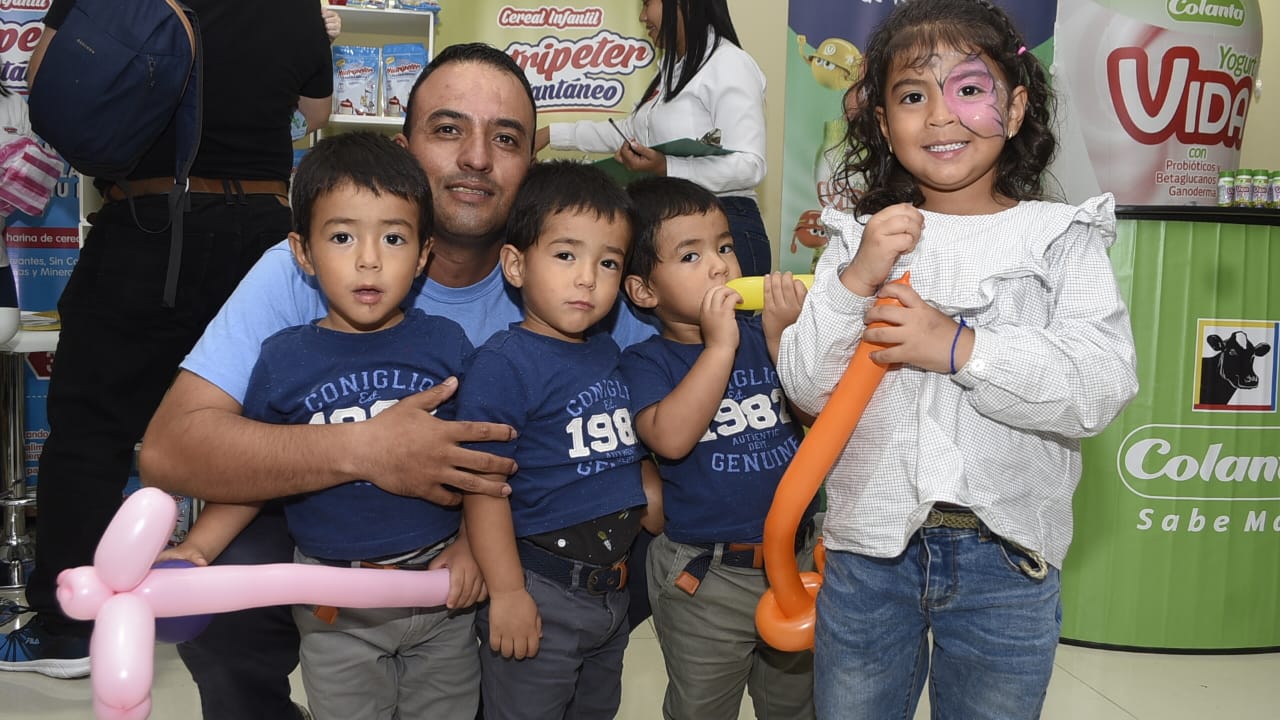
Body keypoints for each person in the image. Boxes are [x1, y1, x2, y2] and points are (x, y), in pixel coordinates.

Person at [136, 43, 656, 718]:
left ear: (530, 165)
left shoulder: (580, 281)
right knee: (230, 589)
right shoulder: (301, 269)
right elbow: (169, 449)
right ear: (405, 146)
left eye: (505, 138)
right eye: (448, 130)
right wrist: (364, 449)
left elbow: (669, 388)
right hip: (330, 538)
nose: (475, 157)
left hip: (514, 549)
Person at [776, 2, 1139, 718]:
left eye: (969, 89)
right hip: (866, 554)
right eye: (913, 95)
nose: (941, 115)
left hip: (1005, 558)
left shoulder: (1059, 236)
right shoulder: (857, 241)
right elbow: (808, 388)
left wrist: (959, 348)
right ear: (883, 123)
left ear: (1015, 108)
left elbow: (1100, 386)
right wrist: (855, 280)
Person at [0, 1, 333, 702]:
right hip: (265, 238)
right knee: (259, 434)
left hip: (146, 222)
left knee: (92, 430)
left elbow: (44, 77)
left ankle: (66, 627)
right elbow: (319, 110)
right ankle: (257, 619)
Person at [158, 131, 483, 719]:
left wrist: (471, 547)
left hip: (441, 600)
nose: (368, 259)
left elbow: (485, 463)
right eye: (341, 237)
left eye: (393, 237)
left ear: (423, 253)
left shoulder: (447, 345)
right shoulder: (284, 358)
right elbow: (255, 476)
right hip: (333, 606)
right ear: (302, 253)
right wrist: (198, 551)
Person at [617, 176, 817, 719]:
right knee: (702, 708)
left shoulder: (761, 338)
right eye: (691, 254)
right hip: (707, 577)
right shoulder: (646, 362)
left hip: (794, 564)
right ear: (644, 291)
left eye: (724, 246)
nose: (719, 266)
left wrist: (782, 341)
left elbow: (817, 423)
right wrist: (720, 345)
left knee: (797, 705)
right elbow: (670, 438)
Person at [456, 159, 648, 719]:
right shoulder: (502, 365)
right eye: (566, 255)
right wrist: (509, 594)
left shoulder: (609, 353)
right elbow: (483, 489)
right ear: (515, 265)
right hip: (539, 590)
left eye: (607, 262)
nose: (587, 277)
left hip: (612, 594)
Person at [534, 0, 772, 276]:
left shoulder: (729, 63)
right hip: (672, 228)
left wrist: (665, 167)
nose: (643, 17)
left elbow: (750, 165)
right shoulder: (671, 70)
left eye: (648, 3)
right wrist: (550, 134)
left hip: (726, 230)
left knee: (727, 321)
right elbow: (627, 134)